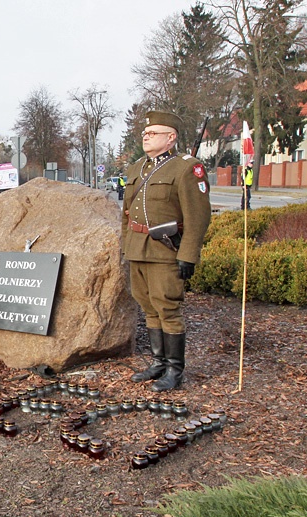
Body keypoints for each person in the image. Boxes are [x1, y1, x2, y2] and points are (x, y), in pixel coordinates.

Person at [122, 110, 212, 392]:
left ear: (170, 138)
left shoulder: (187, 168)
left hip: (165, 251)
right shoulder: (137, 168)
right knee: (147, 306)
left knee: (167, 308)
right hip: (138, 249)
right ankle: (158, 362)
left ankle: (175, 370)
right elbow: (127, 214)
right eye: (144, 134)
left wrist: (188, 255)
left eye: (153, 133)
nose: (146, 137)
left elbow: (198, 217)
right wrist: (127, 246)